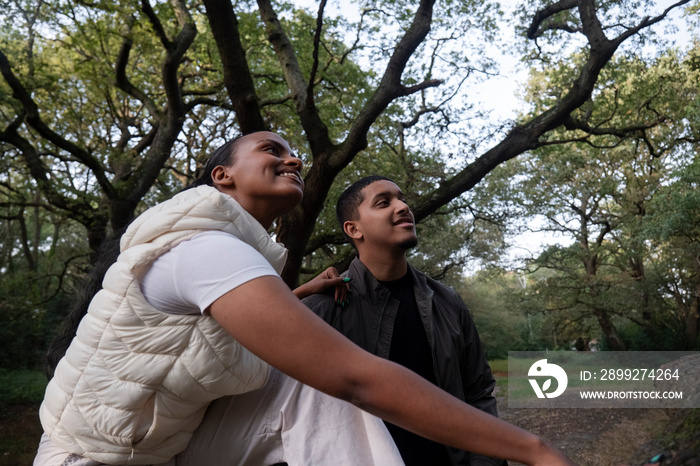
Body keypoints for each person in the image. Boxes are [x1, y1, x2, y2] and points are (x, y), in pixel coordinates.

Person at [35, 131, 575, 466]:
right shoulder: (204, 248)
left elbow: (209, 334)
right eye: (273, 150)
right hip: (97, 458)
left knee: (312, 389)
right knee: (329, 382)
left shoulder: (441, 302)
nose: (293, 160)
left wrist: (299, 292)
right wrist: (532, 448)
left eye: (296, 155)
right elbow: (354, 376)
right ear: (222, 176)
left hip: (171, 449)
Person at [303, 175, 505, 466]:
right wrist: (292, 297)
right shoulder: (319, 311)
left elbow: (478, 392)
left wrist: (485, 462)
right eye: (384, 202)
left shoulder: (447, 302)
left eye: (402, 199)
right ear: (353, 229)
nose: (402, 207)